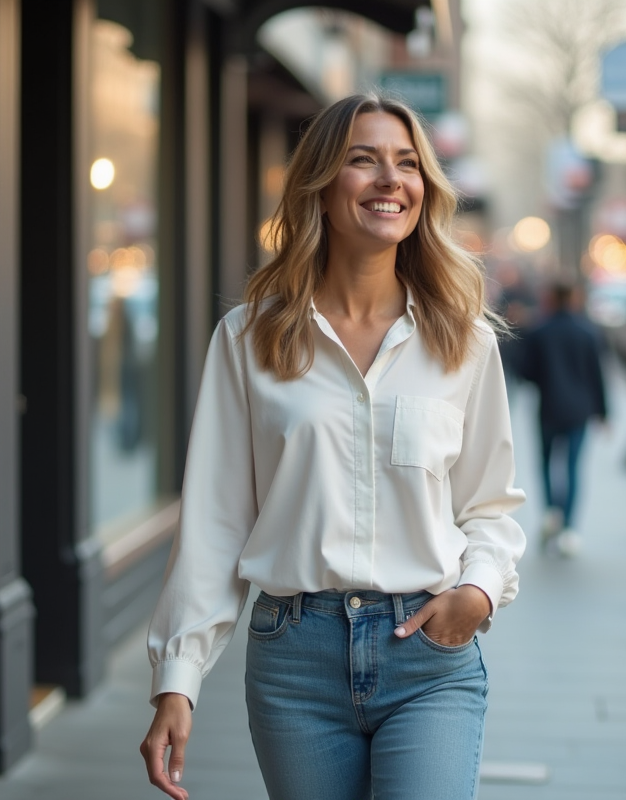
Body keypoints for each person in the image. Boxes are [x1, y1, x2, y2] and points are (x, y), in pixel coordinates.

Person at [139, 93, 526, 800]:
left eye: (407, 164)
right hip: (295, 661)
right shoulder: (249, 339)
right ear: (319, 186)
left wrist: (477, 592)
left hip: (428, 654)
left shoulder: (462, 341)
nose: (390, 180)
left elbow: (490, 504)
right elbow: (216, 523)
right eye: (363, 160)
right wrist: (177, 682)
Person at [516, 281, 606, 557]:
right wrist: (603, 411)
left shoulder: (540, 331)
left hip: (549, 407)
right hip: (579, 410)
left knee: (545, 462)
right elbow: (597, 375)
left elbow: (524, 371)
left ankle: (550, 512)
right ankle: (568, 527)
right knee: (573, 467)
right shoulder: (588, 332)